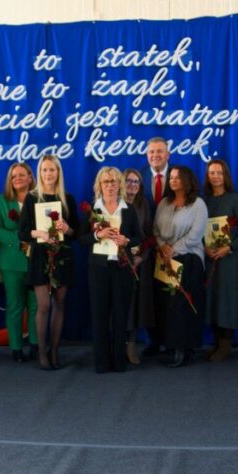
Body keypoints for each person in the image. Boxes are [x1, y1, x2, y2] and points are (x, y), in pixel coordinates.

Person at [18, 154, 79, 370]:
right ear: (39, 173)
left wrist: (67, 229)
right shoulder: (32, 198)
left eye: (52, 169)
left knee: (59, 303)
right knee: (43, 305)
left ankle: (55, 350)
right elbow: (22, 232)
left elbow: (76, 232)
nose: (48, 173)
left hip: (62, 255)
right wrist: (40, 233)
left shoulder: (67, 199)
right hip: (40, 255)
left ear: (58, 172)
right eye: (44, 170)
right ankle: (42, 353)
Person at [80, 167, 143, 373]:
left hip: (122, 267)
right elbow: (81, 238)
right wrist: (97, 236)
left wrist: (126, 240)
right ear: (99, 185)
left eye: (113, 182)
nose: (109, 185)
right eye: (106, 182)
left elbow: (139, 238)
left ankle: (119, 361)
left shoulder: (128, 209)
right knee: (99, 315)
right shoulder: (92, 209)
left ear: (119, 185)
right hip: (98, 268)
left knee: (120, 314)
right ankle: (101, 362)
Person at [153, 165, 208, 368]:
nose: (172, 180)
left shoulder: (198, 204)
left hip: (189, 259)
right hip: (165, 260)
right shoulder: (164, 203)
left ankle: (185, 349)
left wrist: (173, 249)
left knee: (184, 305)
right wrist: (162, 247)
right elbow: (155, 229)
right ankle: (171, 346)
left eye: (177, 177)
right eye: (171, 177)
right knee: (168, 304)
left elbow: (195, 235)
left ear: (187, 180)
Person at [0, 162, 38, 363]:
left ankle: (36, 345)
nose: (17, 179)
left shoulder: (39, 199)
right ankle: (16, 348)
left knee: (36, 306)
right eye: (13, 176)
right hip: (10, 261)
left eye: (21, 175)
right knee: (15, 305)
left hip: (36, 260)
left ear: (30, 177)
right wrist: (19, 239)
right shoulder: (1, 201)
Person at [203, 159, 238, 362]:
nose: (215, 176)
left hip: (229, 259)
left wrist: (228, 248)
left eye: (219, 173)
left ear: (225, 176)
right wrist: (204, 247)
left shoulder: (234, 199)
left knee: (227, 300)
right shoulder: (203, 200)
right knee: (212, 299)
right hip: (210, 258)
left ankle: (225, 345)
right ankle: (215, 342)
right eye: (212, 173)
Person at [142, 136, 171, 357]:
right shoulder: (138, 178)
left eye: (160, 151)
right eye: (152, 152)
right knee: (149, 295)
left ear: (168, 154)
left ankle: (171, 341)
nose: (155, 155)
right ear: (147, 155)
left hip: (171, 247)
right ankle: (153, 340)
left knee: (170, 295)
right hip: (146, 249)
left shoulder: (179, 176)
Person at [123, 168, 154, 365]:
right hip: (118, 262)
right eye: (129, 181)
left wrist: (141, 257)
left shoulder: (143, 205)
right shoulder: (115, 203)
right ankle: (118, 344)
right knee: (120, 305)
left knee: (135, 306)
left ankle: (132, 346)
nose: (132, 185)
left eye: (136, 182)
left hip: (139, 263)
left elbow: (149, 235)